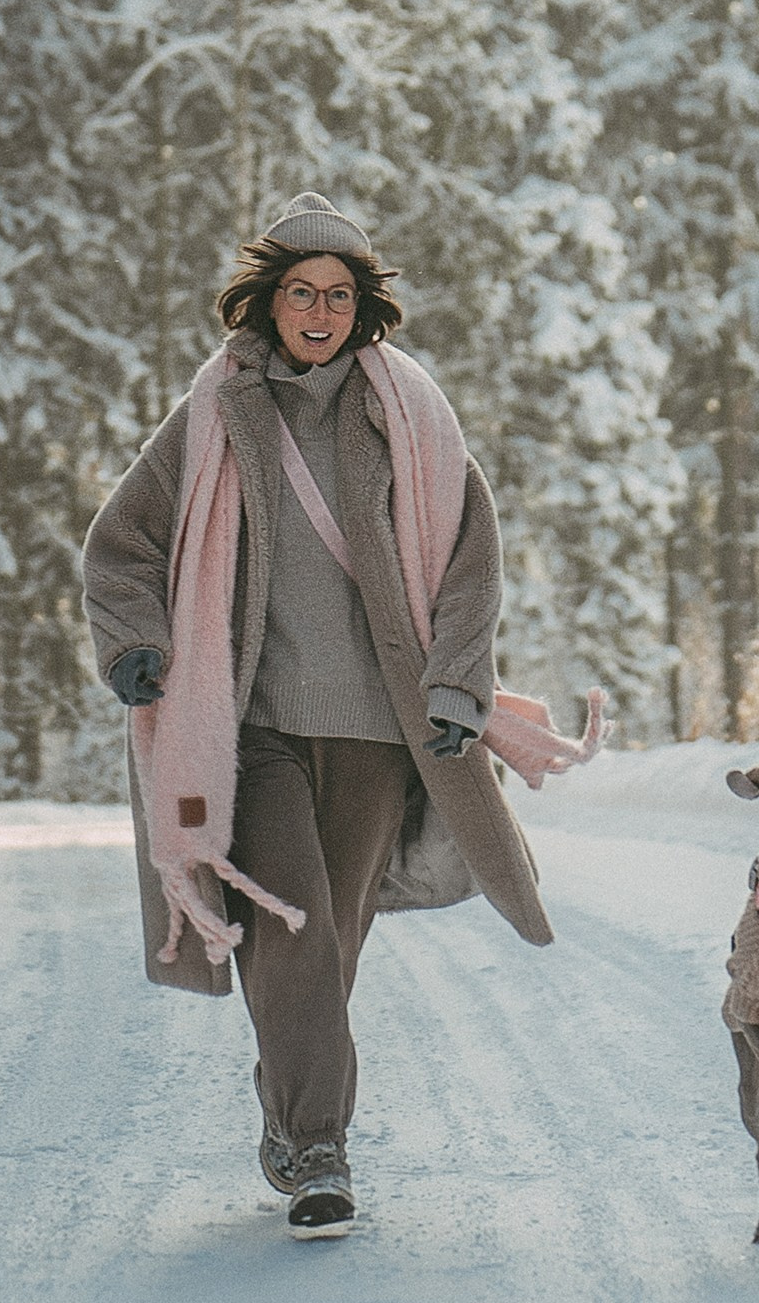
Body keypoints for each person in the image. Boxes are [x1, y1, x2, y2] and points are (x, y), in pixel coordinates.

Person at [81, 190, 602, 1238]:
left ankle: (289, 1103)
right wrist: (134, 642)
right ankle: (318, 1147)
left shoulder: (406, 416)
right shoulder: (214, 415)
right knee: (297, 927)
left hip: (376, 733)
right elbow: (120, 543)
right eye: (298, 293)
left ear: (360, 309)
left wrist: (456, 683)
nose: (317, 312)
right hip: (251, 728)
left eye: (336, 295)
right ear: (265, 303)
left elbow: (470, 558)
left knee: (334, 941)